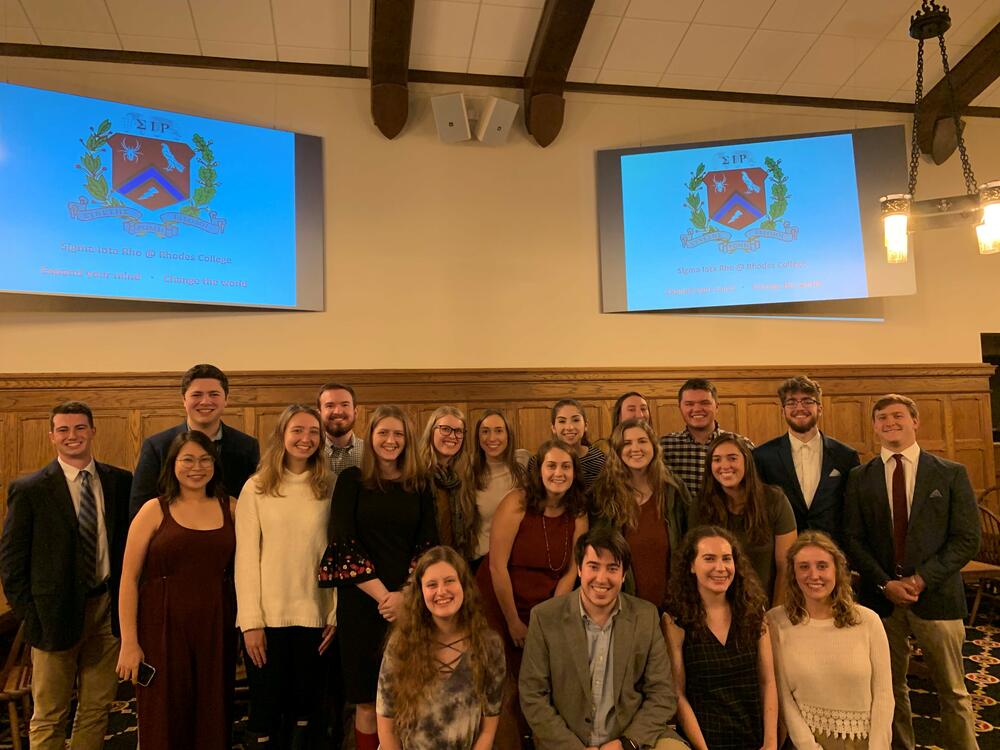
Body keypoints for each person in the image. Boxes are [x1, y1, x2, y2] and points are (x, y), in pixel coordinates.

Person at [843, 394, 981, 750]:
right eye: (882, 418)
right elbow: (853, 539)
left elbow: (966, 539)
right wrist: (884, 583)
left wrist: (921, 579)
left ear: (915, 421)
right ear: (874, 427)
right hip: (882, 602)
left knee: (953, 690)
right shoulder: (860, 477)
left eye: (898, 416)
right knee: (890, 690)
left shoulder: (950, 473)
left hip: (937, 599)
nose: (890, 423)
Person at [0, 401, 132, 750]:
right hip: (53, 616)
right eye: (63, 430)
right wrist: (31, 616)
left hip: (106, 609)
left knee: (96, 707)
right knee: (50, 713)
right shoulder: (30, 489)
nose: (72, 436)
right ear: (52, 436)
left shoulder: (120, 481)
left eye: (79, 428)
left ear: (92, 431)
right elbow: (12, 563)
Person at [318, 405, 439, 750]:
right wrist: (384, 597)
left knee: (408, 696)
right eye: (383, 433)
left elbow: (428, 545)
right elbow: (343, 542)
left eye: (398, 434)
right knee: (367, 701)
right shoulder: (351, 480)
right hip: (361, 605)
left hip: (411, 603)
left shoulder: (420, 484)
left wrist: (405, 596)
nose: (391, 440)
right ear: (370, 438)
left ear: (408, 440)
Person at [116, 430, 237, 750]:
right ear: (172, 465)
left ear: (214, 464)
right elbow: (128, 578)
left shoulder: (232, 507)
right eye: (187, 459)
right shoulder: (153, 510)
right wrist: (130, 642)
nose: (196, 467)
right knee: (163, 715)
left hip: (216, 623)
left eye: (204, 459)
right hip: (160, 626)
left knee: (212, 712)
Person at [519, 527, 687, 750]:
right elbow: (533, 696)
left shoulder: (645, 616)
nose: (602, 578)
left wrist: (626, 743)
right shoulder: (544, 617)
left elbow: (662, 694)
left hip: (630, 739)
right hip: (566, 743)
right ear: (579, 569)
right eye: (593, 566)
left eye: (612, 568)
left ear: (623, 574)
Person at [235, 405, 337, 749]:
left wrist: (335, 613)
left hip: (316, 617)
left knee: (306, 712)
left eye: (313, 432)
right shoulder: (257, 487)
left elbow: (338, 552)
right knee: (265, 710)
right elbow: (245, 559)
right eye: (297, 430)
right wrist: (250, 622)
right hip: (267, 620)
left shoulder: (330, 486)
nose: (305, 439)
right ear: (282, 435)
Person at [477, 438, 589, 750]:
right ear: (538, 470)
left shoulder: (577, 511)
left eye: (565, 466)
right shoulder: (517, 502)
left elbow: (572, 570)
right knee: (506, 686)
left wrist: (549, 617)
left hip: (549, 603)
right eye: (551, 465)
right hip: (501, 603)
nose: (558, 472)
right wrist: (513, 621)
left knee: (546, 684)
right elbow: (497, 567)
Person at [766, 531, 892, 750]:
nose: (814, 575)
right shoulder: (776, 621)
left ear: (837, 570)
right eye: (804, 566)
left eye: (822, 566)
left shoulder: (868, 621)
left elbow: (884, 695)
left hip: (865, 743)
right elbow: (784, 699)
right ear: (793, 573)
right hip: (806, 743)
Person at [376, 546, 505, 750]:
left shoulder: (490, 645)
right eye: (432, 584)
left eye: (449, 581)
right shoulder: (401, 644)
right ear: (421, 592)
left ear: (464, 585)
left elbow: (488, 729)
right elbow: (386, 726)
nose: (441, 591)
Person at [661, 526, 778, 750]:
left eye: (727, 559)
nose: (720, 568)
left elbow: (767, 681)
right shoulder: (675, 620)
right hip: (703, 740)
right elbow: (678, 694)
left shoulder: (753, 612)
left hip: (754, 738)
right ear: (692, 566)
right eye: (709, 559)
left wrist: (770, 743)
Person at [130, 363, 259, 517]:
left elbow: (252, 505)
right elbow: (138, 509)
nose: (205, 401)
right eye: (197, 395)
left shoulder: (247, 446)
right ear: (184, 400)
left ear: (226, 399)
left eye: (214, 394)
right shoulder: (157, 446)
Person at [591, 418, 691, 608]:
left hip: (673, 605)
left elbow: (691, 543)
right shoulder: (603, 494)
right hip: (622, 605)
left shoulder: (673, 490)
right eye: (627, 443)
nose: (635, 448)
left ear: (653, 446)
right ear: (617, 450)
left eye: (642, 441)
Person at [690, 433, 797, 603]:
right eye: (717, 459)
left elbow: (786, 566)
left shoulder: (775, 500)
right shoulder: (700, 506)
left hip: (764, 606)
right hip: (715, 608)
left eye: (732, 458)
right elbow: (694, 564)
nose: (724, 465)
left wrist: (776, 613)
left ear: (747, 461)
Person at [753, 376, 860, 540]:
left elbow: (853, 512)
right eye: (791, 402)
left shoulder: (845, 455)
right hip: (782, 547)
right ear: (782, 411)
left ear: (820, 408)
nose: (799, 407)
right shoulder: (762, 456)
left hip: (833, 548)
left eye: (807, 401)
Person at [660, 378, 752, 497]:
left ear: (717, 406)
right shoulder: (664, 447)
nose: (697, 409)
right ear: (680, 408)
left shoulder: (743, 445)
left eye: (705, 403)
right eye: (689, 404)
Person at [469, 409, 529, 566]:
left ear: (508, 434)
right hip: (484, 559)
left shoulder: (524, 461)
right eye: (485, 431)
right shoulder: (469, 470)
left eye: (499, 431)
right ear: (477, 437)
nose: (492, 438)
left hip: (521, 558)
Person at [419, 406, 472, 551]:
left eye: (458, 431)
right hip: (424, 561)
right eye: (445, 429)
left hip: (456, 560)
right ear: (431, 431)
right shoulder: (417, 474)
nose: (453, 436)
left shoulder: (462, 475)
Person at [539, 398, 606, 490]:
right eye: (562, 421)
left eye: (576, 420)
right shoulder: (540, 460)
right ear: (553, 427)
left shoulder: (600, 459)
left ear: (586, 425)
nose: (569, 427)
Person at [318, 381, 363, 483]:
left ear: (355, 412)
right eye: (329, 406)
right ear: (319, 413)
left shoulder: (371, 453)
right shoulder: (309, 453)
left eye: (345, 405)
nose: (338, 411)